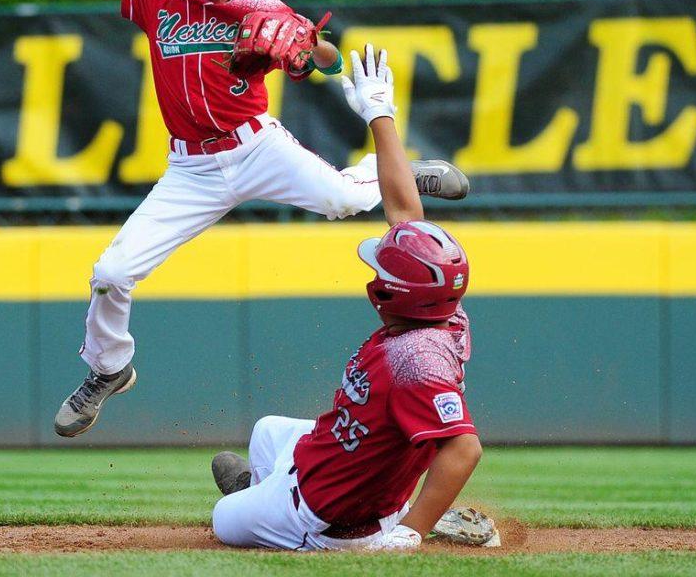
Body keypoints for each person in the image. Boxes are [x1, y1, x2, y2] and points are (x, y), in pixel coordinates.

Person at [52, 0, 470, 439]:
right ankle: (108, 368)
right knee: (112, 274)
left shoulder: (261, 8)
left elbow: (326, 58)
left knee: (346, 201)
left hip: (254, 147)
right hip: (191, 169)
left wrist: (304, 48)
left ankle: (399, 172)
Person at [207, 46, 496, 552]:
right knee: (267, 432)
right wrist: (379, 112)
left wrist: (409, 537)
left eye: (380, 266)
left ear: (385, 292)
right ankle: (276, 489)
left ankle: (404, 517)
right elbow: (405, 209)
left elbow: (464, 448)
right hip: (348, 448)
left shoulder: (415, 358)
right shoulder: (441, 308)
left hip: (328, 517)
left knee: (224, 519)